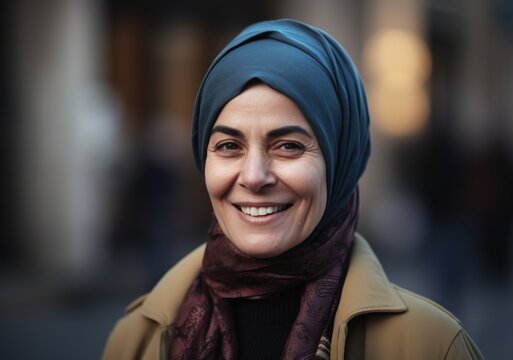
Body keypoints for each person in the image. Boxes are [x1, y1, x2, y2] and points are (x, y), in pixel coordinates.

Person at [102, 19, 483, 360]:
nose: (254, 176)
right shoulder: (137, 339)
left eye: (289, 146)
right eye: (229, 146)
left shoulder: (431, 347)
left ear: (340, 163)